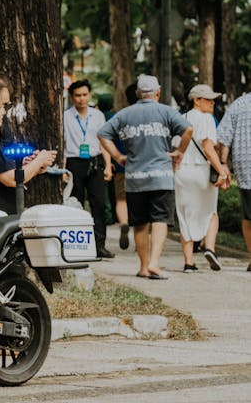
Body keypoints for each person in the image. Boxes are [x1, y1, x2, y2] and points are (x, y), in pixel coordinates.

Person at [98, 75, 192, 279]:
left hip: (135, 177)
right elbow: (188, 129)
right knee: (160, 220)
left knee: (140, 223)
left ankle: (142, 267)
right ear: (157, 92)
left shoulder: (125, 114)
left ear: (138, 94)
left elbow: (103, 134)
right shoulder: (166, 111)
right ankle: (154, 264)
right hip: (161, 177)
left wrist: (117, 156)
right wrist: (180, 152)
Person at [0, 86, 55, 214]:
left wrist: (30, 163)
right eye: (0, 107)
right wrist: (39, 159)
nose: (4, 112)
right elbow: (11, 178)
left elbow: (5, 167)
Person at [175, 84, 229, 273]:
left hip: (182, 173)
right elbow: (208, 148)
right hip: (201, 172)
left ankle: (189, 262)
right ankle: (209, 247)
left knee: (184, 216)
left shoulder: (180, 119)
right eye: (208, 99)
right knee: (210, 212)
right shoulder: (206, 119)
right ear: (196, 100)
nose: (212, 103)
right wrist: (221, 170)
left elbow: (175, 149)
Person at [63, 79, 114, 258]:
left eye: (85, 95)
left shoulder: (98, 116)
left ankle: (100, 244)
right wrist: (63, 170)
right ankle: (76, 246)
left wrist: (107, 165)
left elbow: (103, 141)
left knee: (99, 204)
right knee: (75, 204)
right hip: (74, 162)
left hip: (94, 161)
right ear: (72, 97)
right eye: (77, 95)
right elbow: (62, 144)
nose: (81, 99)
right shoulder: (66, 116)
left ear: (89, 95)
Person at [216, 86, 251, 271]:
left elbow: (224, 138)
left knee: (248, 216)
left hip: (247, 170)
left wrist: (223, 163)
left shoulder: (239, 104)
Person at [112, 83, 139, 251]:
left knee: (121, 199)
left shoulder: (120, 117)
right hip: (143, 167)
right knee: (140, 203)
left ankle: (123, 223)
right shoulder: (149, 116)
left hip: (122, 166)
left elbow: (105, 136)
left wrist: (114, 158)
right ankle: (140, 240)